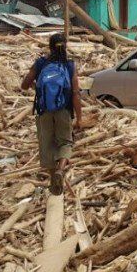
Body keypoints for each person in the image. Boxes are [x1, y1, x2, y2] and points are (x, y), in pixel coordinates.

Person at [20, 33, 84, 195]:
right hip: (63, 110)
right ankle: (60, 171)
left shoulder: (41, 63)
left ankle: (52, 181)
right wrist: (79, 118)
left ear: (49, 46)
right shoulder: (69, 65)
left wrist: (39, 89)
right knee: (65, 143)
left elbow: (24, 85)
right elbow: (76, 93)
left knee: (46, 145)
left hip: (44, 111)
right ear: (66, 46)